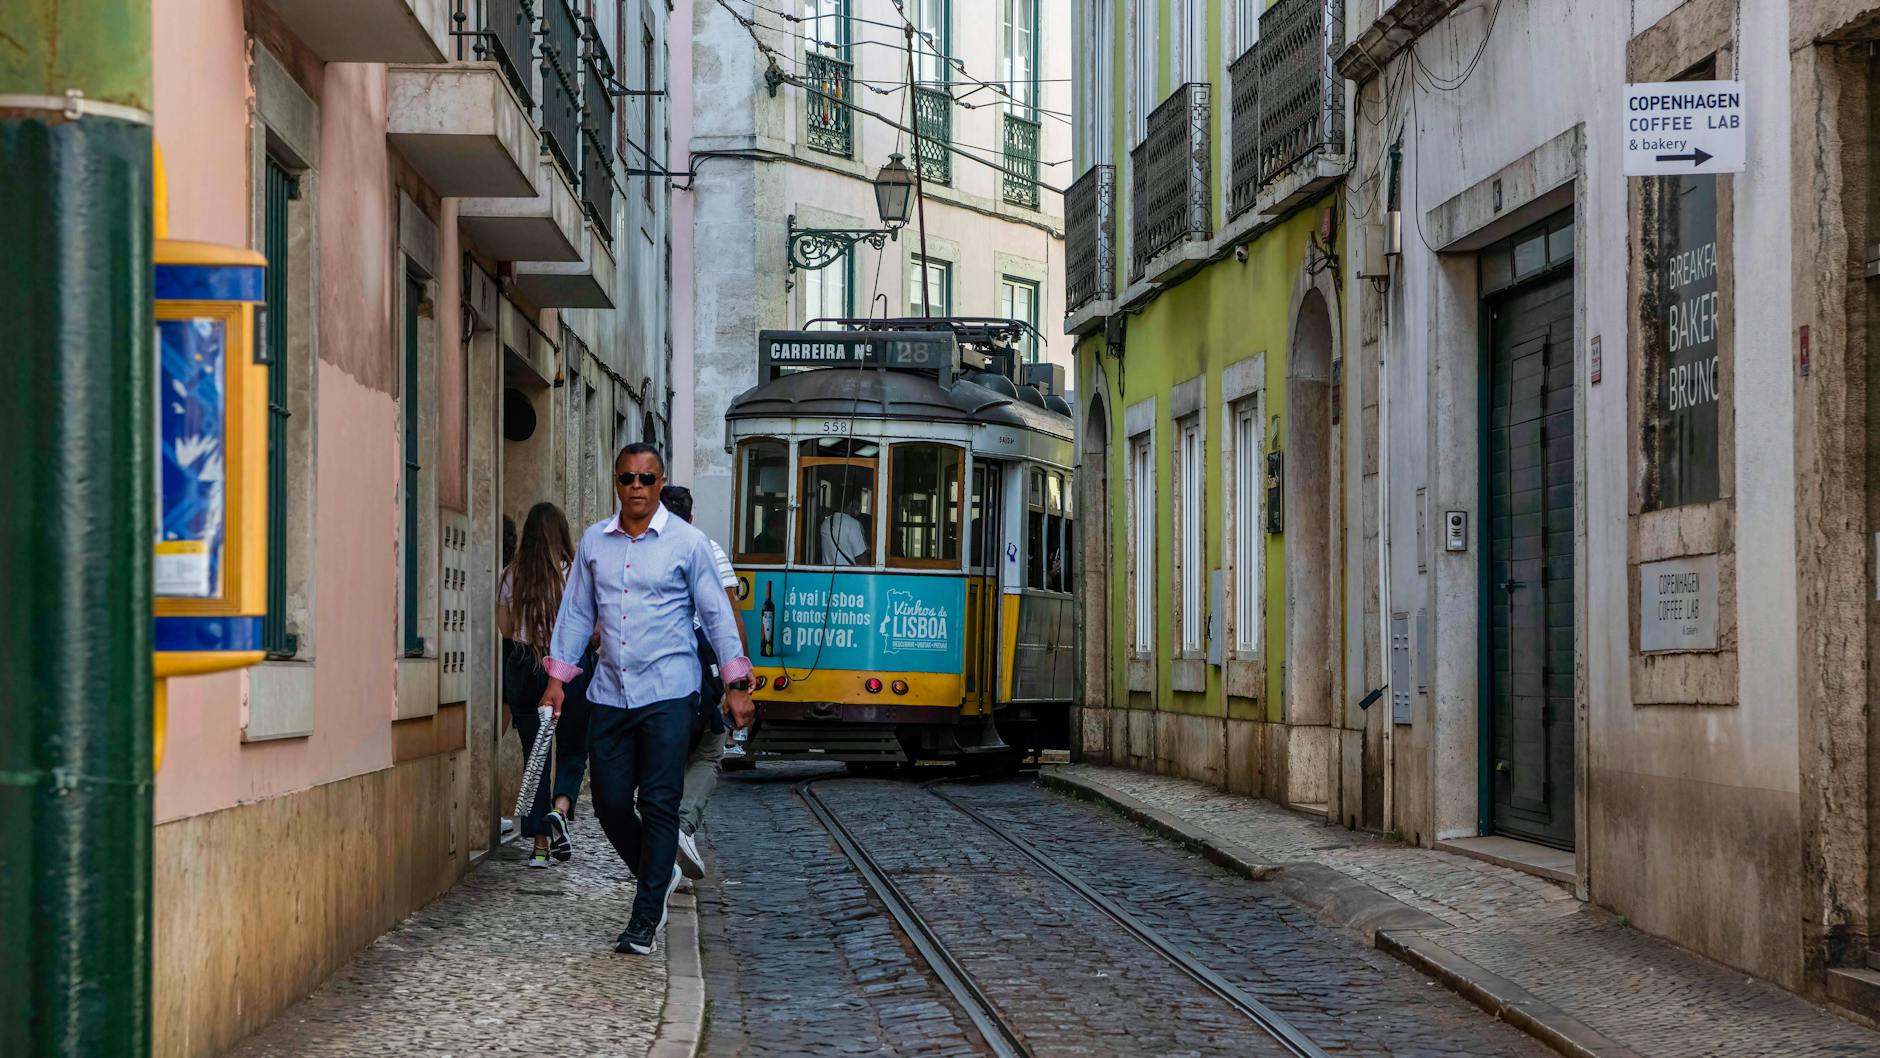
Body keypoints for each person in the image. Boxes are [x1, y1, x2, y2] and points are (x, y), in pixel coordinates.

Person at [540, 444, 754, 956]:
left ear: (660, 483)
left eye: (646, 478)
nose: (636, 487)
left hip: (669, 693)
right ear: (617, 482)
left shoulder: (688, 543)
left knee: (659, 804)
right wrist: (557, 679)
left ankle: (645, 914)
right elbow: (574, 614)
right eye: (627, 478)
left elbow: (718, 616)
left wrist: (736, 683)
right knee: (612, 804)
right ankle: (657, 877)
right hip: (610, 693)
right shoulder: (595, 542)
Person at [497, 503, 594, 868]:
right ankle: (561, 807)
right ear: (561, 534)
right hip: (569, 668)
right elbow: (588, 626)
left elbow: (505, 630)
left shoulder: (510, 576)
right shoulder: (572, 576)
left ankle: (539, 847)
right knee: (572, 748)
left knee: (535, 758)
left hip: (524, 664)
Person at [659, 484, 744, 886]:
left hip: (654, 673)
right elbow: (728, 615)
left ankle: (662, 837)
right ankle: (680, 828)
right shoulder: (708, 549)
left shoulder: (638, 545)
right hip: (700, 672)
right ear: (691, 518)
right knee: (711, 747)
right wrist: (739, 681)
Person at [819, 493, 868, 565]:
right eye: (857, 507)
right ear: (850, 504)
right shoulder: (853, 524)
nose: (858, 512)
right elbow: (860, 558)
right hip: (848, 574)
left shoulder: (825, 523)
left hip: (827, 573)